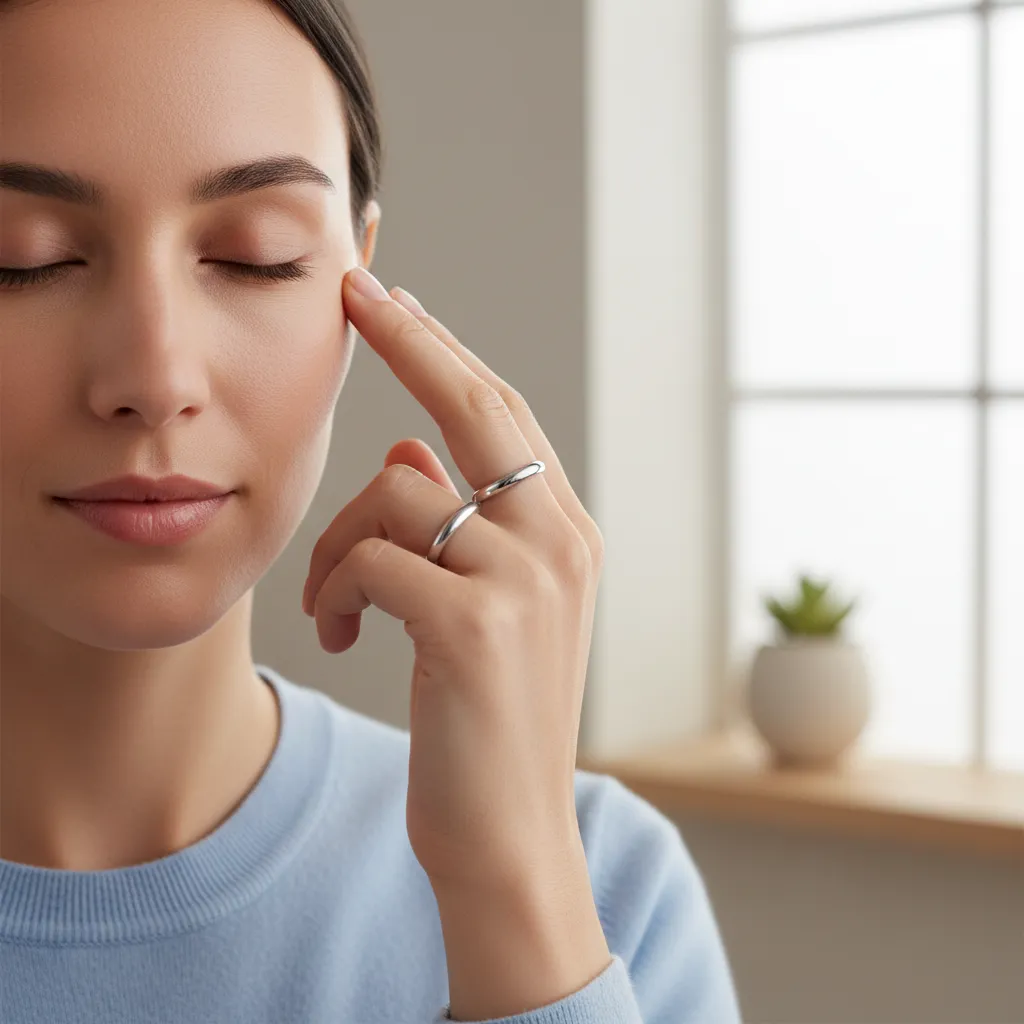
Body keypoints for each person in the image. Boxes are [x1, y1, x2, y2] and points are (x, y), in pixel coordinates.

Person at [0, 0, 742, 1020]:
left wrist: (513, 897)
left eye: (257, 255)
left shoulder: (604, 887)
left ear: (361, 277)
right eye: (22, 255)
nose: (154, 375)